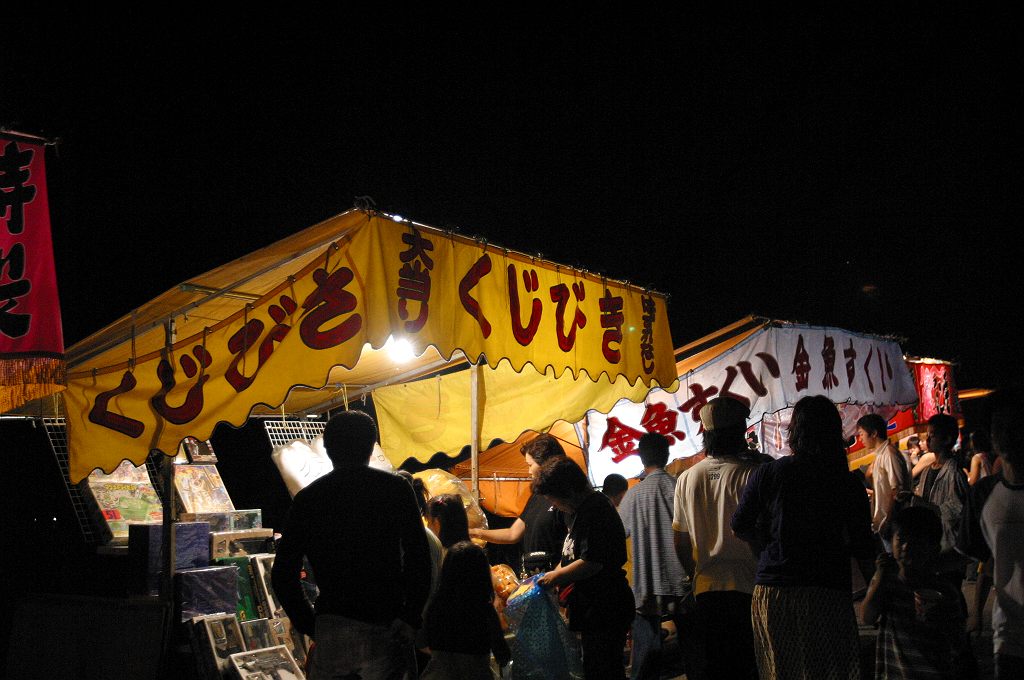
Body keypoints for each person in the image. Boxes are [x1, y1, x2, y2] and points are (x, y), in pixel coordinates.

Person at [272, 411, 431, 680]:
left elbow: (282, 574)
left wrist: (311, 624)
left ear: (328, 448)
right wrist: (410, 616)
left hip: (333, 628)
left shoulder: (309, 499)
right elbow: (419, 558)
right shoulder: (395, 489)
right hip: (388, 625)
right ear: (370, 447)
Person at [732, 395, 875, 680]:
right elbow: (863, 546)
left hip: (775, 593)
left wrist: (766, 547)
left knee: (782, 672)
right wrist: (878, 590)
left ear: (795, 431)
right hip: (827, 592)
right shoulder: (847, 483)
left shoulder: (770, 473)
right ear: (835, 433)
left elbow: (739, 525)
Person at [673, 397, 761, 680]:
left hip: (706, 590)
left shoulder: (687, 479)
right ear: (740, 432)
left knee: (718, 667)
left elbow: (681, 541)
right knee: (751, 665)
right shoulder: (753, 474)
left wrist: (694, 574)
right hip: (750, 587)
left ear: (706, 435)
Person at [536, 457, 635, 680]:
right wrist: (553, 574)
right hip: (591, 610)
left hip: (607, 607)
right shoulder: (576, 511)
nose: (555, 506)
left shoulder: (596, 509)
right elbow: (570, 555)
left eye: (554, 499)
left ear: (569, 490)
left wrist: (555, 577)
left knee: (604, 670)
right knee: (595, 667)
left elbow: (592, 562)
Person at [957, 407, 1024, 679]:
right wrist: (976, 612)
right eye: (1000, 430)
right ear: (994, 439)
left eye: (1014, 430)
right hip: (1009, 632)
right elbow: (986, 559)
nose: (1007, 437)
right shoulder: (983, 494)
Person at [862, 506, 963, 679]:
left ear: (934, 548)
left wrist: (940, 618)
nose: (906, 546)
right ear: (891, 541)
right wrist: (880, 578)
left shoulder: (945, 591)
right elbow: (867, 617)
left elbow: (958, 643)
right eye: (900, 539)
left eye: (917, 542)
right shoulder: (886, 581)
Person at [618, 433, 686, 680]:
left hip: (646, 582)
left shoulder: (633, 495)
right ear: (667, 456)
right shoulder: (678, 487)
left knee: (646, 656)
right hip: (681, 579)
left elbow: (618, 532)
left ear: (641, 458)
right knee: (693, 648)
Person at [470, 434, 568, 574]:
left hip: (558, 579)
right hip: (535, 578)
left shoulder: (566, 499)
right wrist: (476, 533)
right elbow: (513, 534)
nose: (529, 471)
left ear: (547, 464)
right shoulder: (537, 496)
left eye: (530, 465)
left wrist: (555, 578)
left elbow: (575, 550)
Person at [420, 541, 511, 680]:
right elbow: (502, 654)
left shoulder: (436, 606)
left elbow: (422, 642)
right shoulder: (483, 610)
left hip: (438, 674)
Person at [857, 413, 911, 550]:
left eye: (862, 434)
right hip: (883, 523)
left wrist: (887, 520)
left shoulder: (889, 454)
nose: (860, 438)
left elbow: (898, 492)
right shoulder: (880, 455)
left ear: (874, 433)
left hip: (892, 523)